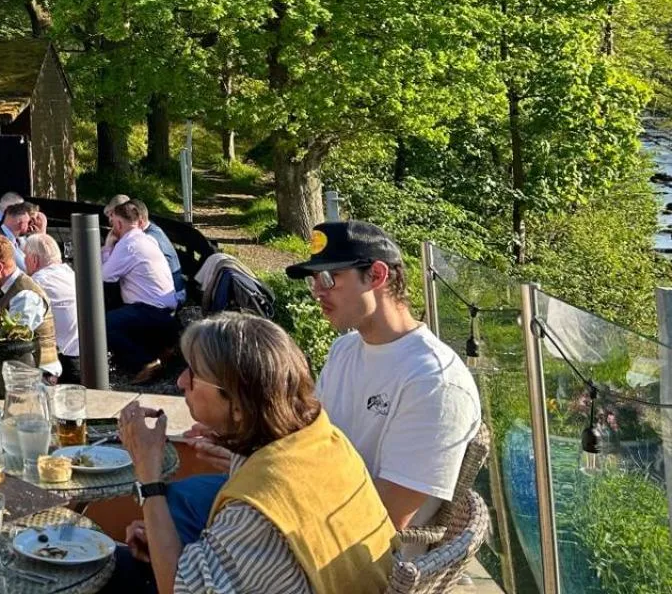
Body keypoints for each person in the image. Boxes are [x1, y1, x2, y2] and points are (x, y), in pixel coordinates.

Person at [116, 313, 395, 594]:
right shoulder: (324, 439)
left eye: (194, 375)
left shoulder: (253, 515)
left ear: (238, 405)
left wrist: (147, 471)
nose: (180, 381)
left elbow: (176, 589)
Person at [288, 221, 481, 529]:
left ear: (376, 275)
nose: (317, 293)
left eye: (329, 278)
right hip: (309, 515)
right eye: (314, 281)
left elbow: (385, 517)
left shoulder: (436, 382)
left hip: (353, 556)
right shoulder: (344, 350)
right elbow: (310, 441)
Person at [103, 201, 180, 379]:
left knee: (102, 324)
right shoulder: (147, 239)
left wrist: (108, 246)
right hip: (167, 310)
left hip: (152, 312)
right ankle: (162, 352)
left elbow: (104, 276)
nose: (111, 228)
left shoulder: (128, 244)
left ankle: (144, 363)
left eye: (112, 222)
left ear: (119, 223)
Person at [0, 233, 59, 380]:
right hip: (15, 370)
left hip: (39, 378)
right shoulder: (2, 287)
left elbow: (10, 346)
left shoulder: (25, 296)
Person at [23, 233, 79, 379]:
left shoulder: (37, 283)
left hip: (59, 366)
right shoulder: (71, 274)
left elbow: (21, 325)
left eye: (25, 256)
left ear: (34, 260)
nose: (23, 261)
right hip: (87, 358)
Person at [134, 200, 186, 295]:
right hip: (174, 290)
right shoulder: (152, 228)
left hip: (170, 294)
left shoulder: (148, 239)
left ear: (139, 221)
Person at [0, 201, 32, 271]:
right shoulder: (3, 242)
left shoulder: (10, 239)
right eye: (28, 222)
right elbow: (27, 269)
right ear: (21, 224)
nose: (30, 226)